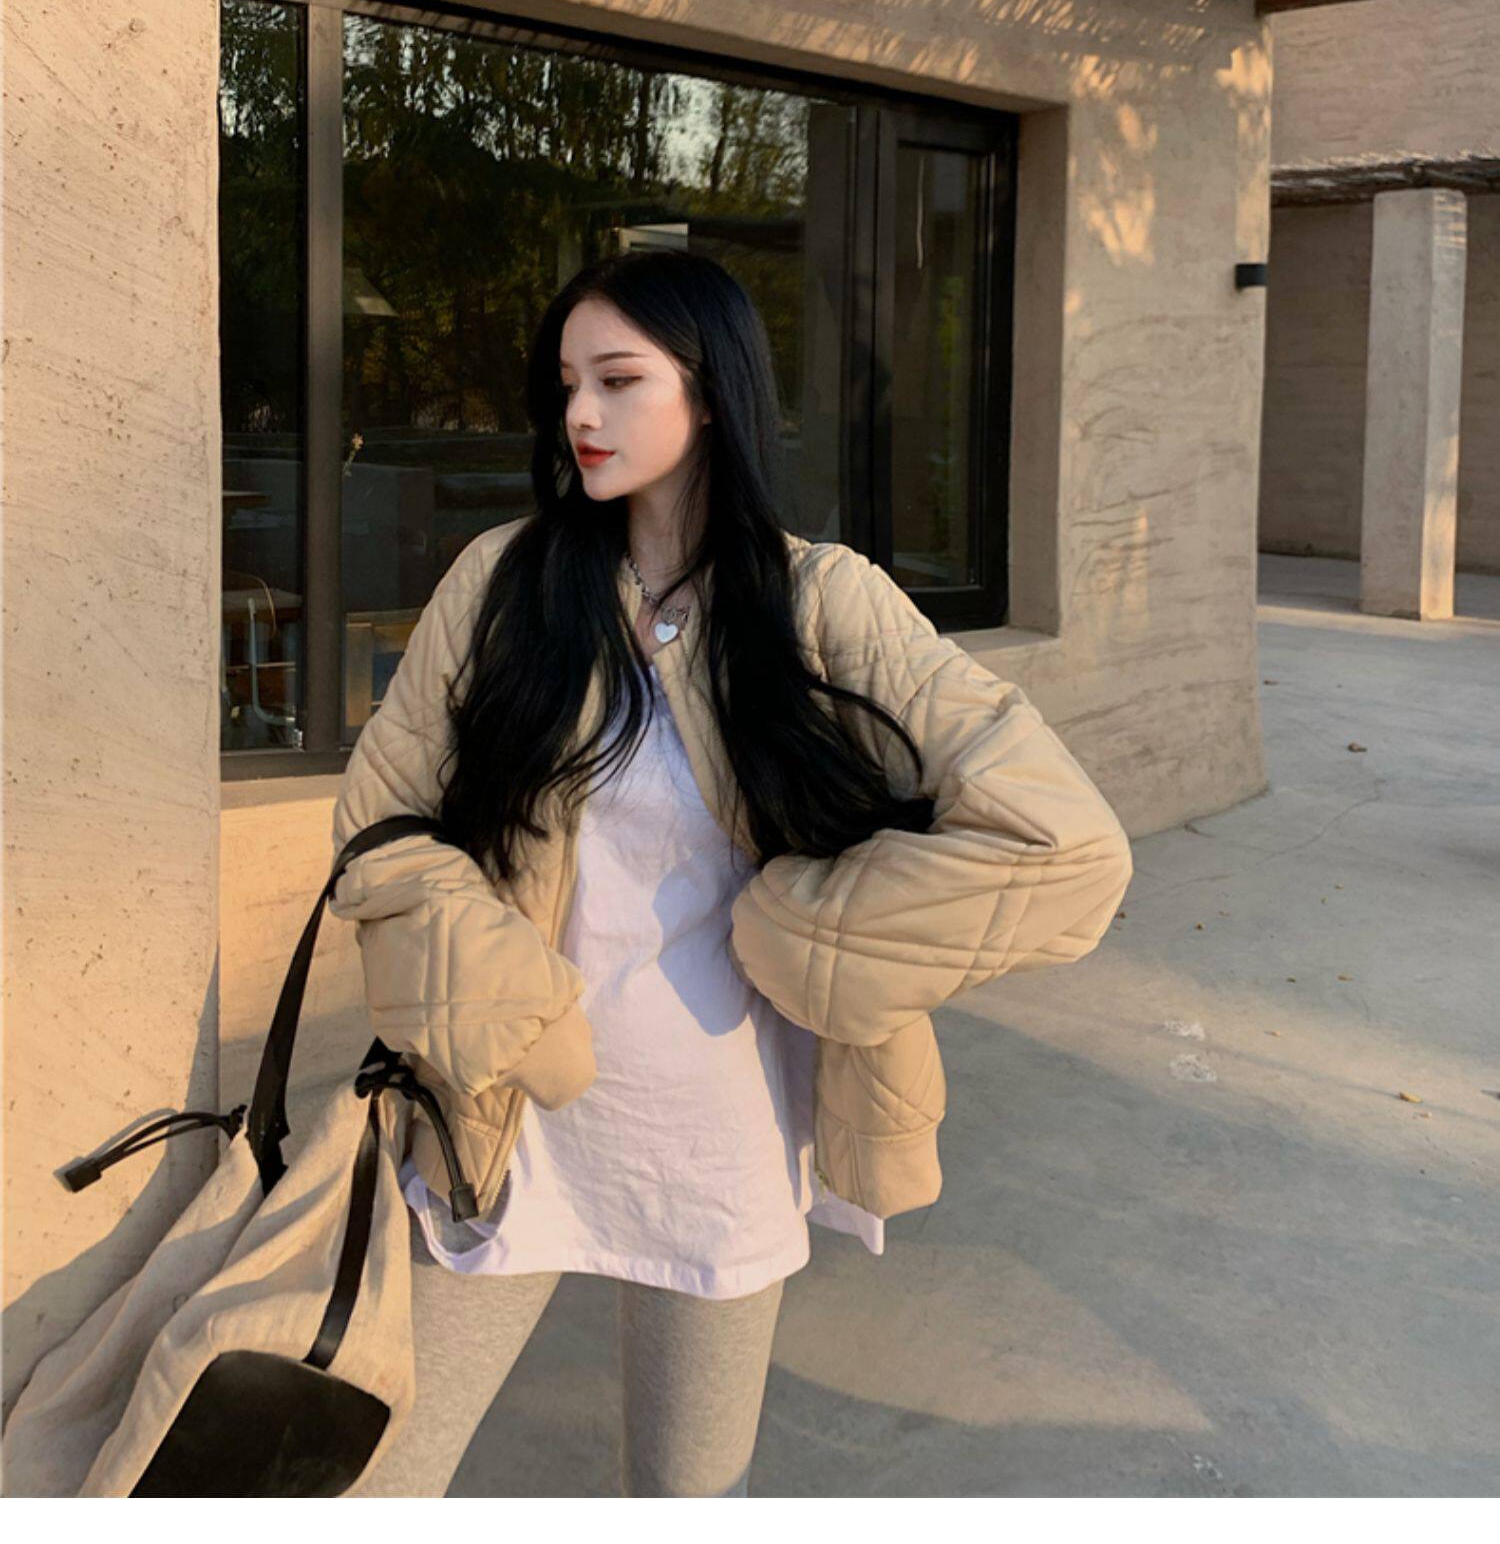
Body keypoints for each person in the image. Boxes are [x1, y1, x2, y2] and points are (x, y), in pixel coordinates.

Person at [328, 250, 1134, 1498]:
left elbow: (1064, 844)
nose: (580, 412)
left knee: (692, 1497)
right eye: (567, 383)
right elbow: (379, 821)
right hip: (504, 1108)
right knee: (374, 1478)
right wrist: (486, 985)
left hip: (716, 1140)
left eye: (618, 379)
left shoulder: (824, 603)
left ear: (710, 393)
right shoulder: (503, 584)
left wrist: (823, 934)